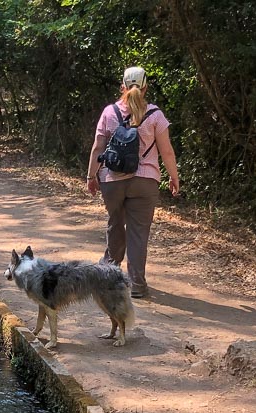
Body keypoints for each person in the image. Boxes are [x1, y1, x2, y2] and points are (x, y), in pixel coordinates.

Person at [86, 66, 180, 298]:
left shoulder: (109, 112)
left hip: (113, 179)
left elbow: (98, 147)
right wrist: (174, 177)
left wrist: (91, 176)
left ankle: (109, 274)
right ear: (145, 87)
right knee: (138, 233)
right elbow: (167, 151)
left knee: (115, 223)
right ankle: (137, 284)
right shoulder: (155, 115)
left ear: (123, 87)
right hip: (145, 181)